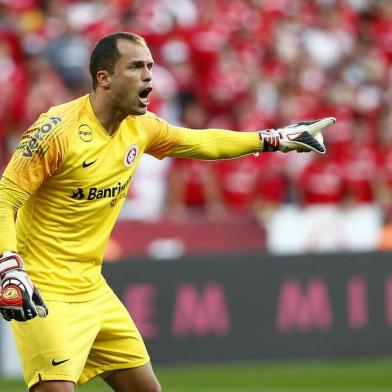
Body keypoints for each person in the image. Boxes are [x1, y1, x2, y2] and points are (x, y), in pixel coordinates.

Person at [0, 32, 332, 392]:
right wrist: (8, 266)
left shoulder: (141, 128)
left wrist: (273, 139)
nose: (148, 77)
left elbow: (201, 142)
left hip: (92, 287)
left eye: (150, 67)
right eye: (136, 67)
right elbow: (4, 199)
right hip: (44, 289)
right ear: (104, 78)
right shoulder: (57, 131)